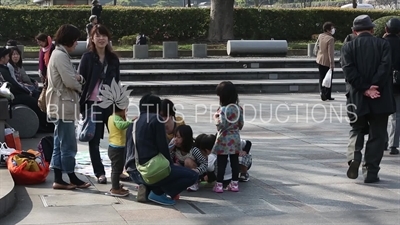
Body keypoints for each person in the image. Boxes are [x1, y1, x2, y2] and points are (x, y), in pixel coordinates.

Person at [341, 15, 395, 183]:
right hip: (380, 97)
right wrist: (373, 86)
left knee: (356, 129)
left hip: (357, 97)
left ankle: (354, 156)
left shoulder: (347, 48)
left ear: (354, 31)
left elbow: (349, 72)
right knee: (377, 135)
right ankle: (371, 172)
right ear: (372, 30)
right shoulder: (383, 45)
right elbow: (385, 68)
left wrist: (364, 88)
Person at [46, 24, 90, 190]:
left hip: (60, 104)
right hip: (63, 105)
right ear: (70, 40)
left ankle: (59, 178)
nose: (77, 43)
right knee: (69, 145)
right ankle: (71, 176)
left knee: (59, 143)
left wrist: (76, 78)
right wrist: (80, 81)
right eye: (76, 40)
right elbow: (71, 81)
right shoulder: (60, 56)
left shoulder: (57, 54)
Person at [134, 93, 198, 205]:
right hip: (155, 168)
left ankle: (148, 187)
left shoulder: (135, 121)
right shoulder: (156, 119)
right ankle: (158, 192)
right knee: (193, 175)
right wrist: (170, 166)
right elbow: (162, 146)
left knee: (172, 172)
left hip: (138, 170)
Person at [78, 24, 120, 184]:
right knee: (93, 140)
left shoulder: (113, 59)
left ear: (108, 38)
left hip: (109, 104)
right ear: (92, 39)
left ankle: (119, 169)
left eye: (104, 35)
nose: (101, 38)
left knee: (118, 139)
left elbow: (117, 81)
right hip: (92, 104)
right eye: (98, 35)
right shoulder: (88, 57)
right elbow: (81, 80)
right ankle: (99, 172)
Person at [0, 47, 51, 133]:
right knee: (35, 102)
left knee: (37, 97)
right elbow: (13, 85)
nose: (9, 58)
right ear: (2, 58)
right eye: (7, 56)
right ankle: (45, 125)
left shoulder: (4, 68)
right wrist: (27, 92)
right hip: (12, 97)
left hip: (13, 94)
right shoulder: (3, 69)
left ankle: (46, 123)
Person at [212, 81, 243, 193]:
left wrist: (215, 118)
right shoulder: (239, 109)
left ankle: (219, 184)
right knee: (235, 160)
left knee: (222, 162)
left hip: (223, 139)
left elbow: (221, 125)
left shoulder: (222, 110)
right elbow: (241, 124)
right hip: (235, 138)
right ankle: (235, 183)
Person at [169, 125, 208, 192]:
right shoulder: (175, 149)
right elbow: (169, 159)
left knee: (188, 161)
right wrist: (170, 148)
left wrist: (198, 170)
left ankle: (194, 182)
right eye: (175, 136)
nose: (175, 139)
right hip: (184, 171)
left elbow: (205, 163)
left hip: (194, 171)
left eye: (178, 137)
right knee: (174, 165)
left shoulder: (193, 150)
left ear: (185, 138)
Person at [107, 104, 132, 197]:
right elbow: (121, 126)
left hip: (115, 148)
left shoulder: (111, 117)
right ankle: (115, 189)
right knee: (116, 170)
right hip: (117, 149)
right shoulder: (116, 118)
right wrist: (130, 121)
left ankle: (116, 186)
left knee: (118, 168)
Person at [383, 18, 400, 155]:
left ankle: (382, 141)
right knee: (397, 116)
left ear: (386, 29)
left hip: (382, 83)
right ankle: (393, 145)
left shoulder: (381, 43)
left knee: (381, 115)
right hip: (398, 84)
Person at [315, 22, 336, 101]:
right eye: (332, 28)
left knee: (321, 77)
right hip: (327, 61)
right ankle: (327, 94)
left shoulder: (321, 36)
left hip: (319, 59)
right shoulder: (331, 39)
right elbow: (330, 52)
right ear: (328, 30)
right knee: (329, 78)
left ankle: (322, 92)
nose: (333, 29)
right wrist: (332, 63)